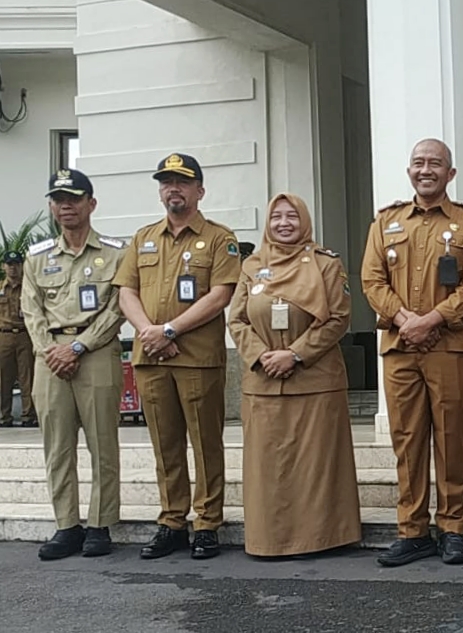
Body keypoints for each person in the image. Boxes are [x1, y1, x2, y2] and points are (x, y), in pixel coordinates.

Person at [361, 139, 463, 567]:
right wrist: (403, 319)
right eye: (418, 163)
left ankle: (453, 527)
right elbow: (372, 280)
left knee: (451, 437)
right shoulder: (386, 222)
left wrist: (430, 320)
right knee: (407, 440)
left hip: (449, 347)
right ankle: (411, 530)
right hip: (400, 348)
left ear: (450, 174)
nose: (426, 170)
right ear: (409, 171)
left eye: (436, 164)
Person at [113, 153, 239, 560]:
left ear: (199, 191)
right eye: (166, 183)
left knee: (205, 444)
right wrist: (149, 332)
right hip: (151, 358)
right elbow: (126, 291)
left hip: (196, 358)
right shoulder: (143, 237)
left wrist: (170, 330)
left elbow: (221, 294)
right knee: (165, 445)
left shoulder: (220, 238)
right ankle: (172, 521)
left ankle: (207, 523)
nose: (173, 189)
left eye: (182, 183)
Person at [229, 193, 362, 558]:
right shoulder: (251, 265)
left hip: (315, 382)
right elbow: (237, 319)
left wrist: (295, 354)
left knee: (316, 468)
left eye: (292, 216)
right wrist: (262, 356)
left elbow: (338, 318)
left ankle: (321, 538)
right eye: (276, 217)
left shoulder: (325, 264)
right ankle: (269, 540)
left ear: (305, 221)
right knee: (269, 470)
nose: (284, 223)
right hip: (264, 383)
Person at [20, 169, 126, 559]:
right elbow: (30, 308)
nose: (66, 205)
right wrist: (51, 350)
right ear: (51, 206)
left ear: (91, 204)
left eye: (74, 198)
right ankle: (66, 525)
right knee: (58, 447)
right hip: (49, 357)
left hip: (95, 352)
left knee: (102, 442)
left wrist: (79, 346)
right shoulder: (37, 258)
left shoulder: (115, 253)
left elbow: (118, 308)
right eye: (58, 199)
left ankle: (100, 524)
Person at [0, 249, 37, 427]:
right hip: (4, 336)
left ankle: (28, 416)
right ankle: (3, 416)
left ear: (22, 266)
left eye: (16, 265)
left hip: (25, 335)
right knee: (2, 378)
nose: (12, 268)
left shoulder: (29, 287)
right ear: (3, 266)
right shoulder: (0, 287)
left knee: (27, 377)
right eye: (9, 265)